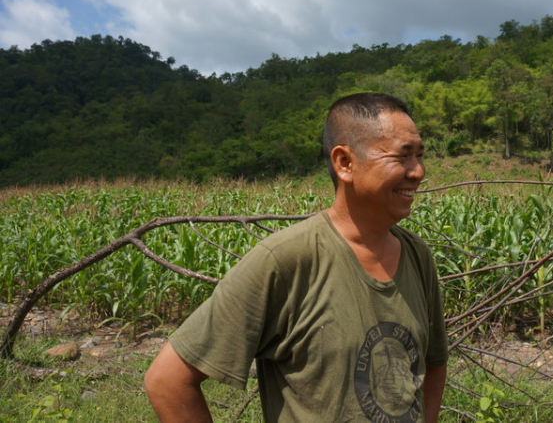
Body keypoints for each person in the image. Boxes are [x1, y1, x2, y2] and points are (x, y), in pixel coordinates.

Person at [144, 92, 448, 422]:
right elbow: (167, 381)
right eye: (402, 157)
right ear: (344, 163)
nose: (418, 172)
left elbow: (433, 363)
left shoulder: (417, 255)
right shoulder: (286, 260)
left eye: (419, 155)